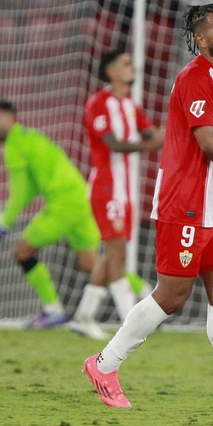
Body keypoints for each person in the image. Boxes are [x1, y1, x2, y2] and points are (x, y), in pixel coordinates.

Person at [81, 4, 213, 412]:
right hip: (185, 205)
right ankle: (104, 364)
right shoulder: (195, 78)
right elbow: (207, 143)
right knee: (172, 297)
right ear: (202, 39)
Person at [0, 101, 104, 329]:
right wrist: (4, 215)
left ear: (11, 117)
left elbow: (19, 194)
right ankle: (144, 295)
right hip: (79, 196)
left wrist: (2, 225)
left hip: (62, 203)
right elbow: (28, 191)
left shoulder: (15, 145)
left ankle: (53, 310)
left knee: (22, 251)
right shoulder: (31, 138)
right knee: (92, 264)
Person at [74, 49, 161, 338]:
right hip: (106, 187)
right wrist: (149, 144)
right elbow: (114, 144)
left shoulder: (131, 107)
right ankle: (131, 323)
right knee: (117, 252)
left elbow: (151, 136)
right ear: (111, 72)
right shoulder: (98, 103)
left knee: (113, 254)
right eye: (126, 63)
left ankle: (84, 316)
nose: (132, 67)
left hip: (125, 191)